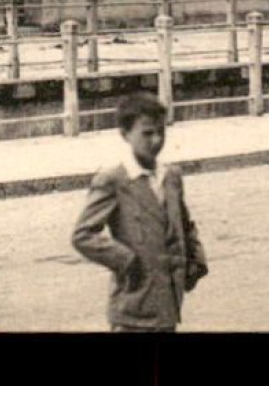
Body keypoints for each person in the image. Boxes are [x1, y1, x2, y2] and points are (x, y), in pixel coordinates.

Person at [71, 92, 208, 331]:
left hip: (168, 304)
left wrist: (195, 259)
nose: (156, 140)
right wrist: (125, 260)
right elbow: (83, 235)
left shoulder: (171, 176)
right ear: (125, 134)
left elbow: (184, 224)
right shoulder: (113, 179)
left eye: (161, 132)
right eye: (147, 133)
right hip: (132, 308)